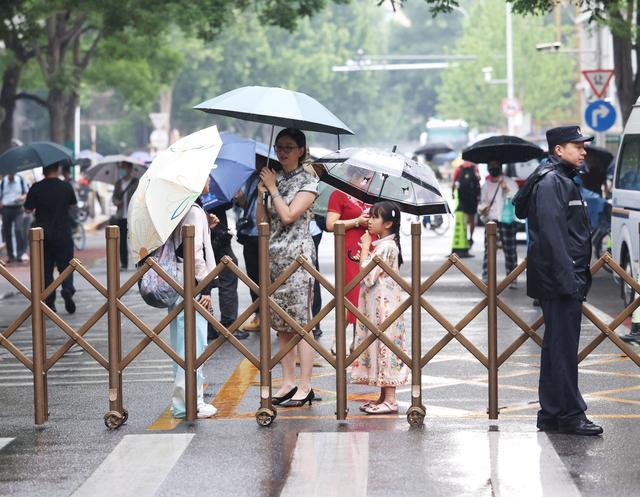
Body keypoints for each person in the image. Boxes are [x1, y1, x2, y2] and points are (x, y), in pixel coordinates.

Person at [524, 125, 602, 436]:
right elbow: (554, 237)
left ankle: (553, 413)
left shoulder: (562, 179)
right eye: (576, 145)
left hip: (563, 277)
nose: (583, 151)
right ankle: (570, 413)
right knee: (564, 349)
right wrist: (569, 278)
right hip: (560, 279)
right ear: (559, 150)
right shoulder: (552, 182)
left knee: (557, 347)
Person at [256, 128, 318, 408]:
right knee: (281, 324)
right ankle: (288, 381)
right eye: (280, 147)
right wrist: (261, 195)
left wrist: (272, 190)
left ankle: (306, 384)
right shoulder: (274, 178)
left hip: (298, 257)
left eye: (289, 147)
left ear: (301, 150)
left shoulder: (308, 181)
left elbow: (290, 216)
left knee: (301, 323)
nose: (282, 152)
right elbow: (263, 222)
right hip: (274, 257)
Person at [351, 201, 409, 414]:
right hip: (377, 305)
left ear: (388, 223)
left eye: (375, 217)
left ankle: (391, 399)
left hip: (384, 308)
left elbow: (367, 277)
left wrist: (365, 247)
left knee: (385, 347)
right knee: (378, 346)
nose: (370, 221)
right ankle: (383, 396)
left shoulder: (385, 247)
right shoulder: (384, 246)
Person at [169, 176, 218, 419]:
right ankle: (190, 403)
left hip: (176, 284)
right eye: (207, 175)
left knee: (181, 346)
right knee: (193, 346)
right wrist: (206, 286)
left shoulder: (180, 208)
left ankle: (183, 402)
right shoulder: (194, 211)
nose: (210, 180)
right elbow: (195, 253)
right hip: (191, 286)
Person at [24, 161, 77, 314]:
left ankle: (50, 302)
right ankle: (67, 289)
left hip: (42, 236)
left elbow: (28, 209)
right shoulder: (66, 186)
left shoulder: (36, 187)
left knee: (46, 270)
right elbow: (72, 205)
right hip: (63, 233)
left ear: (44, 170)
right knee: (66, 267)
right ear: (58, 168)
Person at [326, 188, 371, 354]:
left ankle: (357, 339)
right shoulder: (339, 193)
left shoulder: (376, 192)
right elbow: (331, 224)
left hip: (372, 244)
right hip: (350, 248)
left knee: (366, 293)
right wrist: (358, 221)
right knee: (351, 293)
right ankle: (338, 339)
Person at [205, 200, 248, 341]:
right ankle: (228, 324)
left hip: (206, 238)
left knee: (203, 281)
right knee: (226, 276)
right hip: (217, 236)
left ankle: (206, 326)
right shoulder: (211, 190)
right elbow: (226, 203)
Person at [478, 161, 519, 287]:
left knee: (510, 250)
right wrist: (482, 208)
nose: (493, 168)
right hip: (491, 221)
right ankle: (486, 276)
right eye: (490, 167)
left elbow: (517, 198)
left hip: (506, 221)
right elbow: (482, 202)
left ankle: (512, 278)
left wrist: (506, 188)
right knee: (489, 250)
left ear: (500, 167)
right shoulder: (485, 185)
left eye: (495, 166)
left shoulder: (509, 182)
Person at [112, 162, 139, 270]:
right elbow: (114, 197)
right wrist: (117, 202)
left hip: (133, 216)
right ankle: (124, 264)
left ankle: (139, 262)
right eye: (121, 168)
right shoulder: (118, 183)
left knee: (136, 240)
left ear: (130, 169)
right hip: (121, 216)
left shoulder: (136, 182)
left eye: (125, 168)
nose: (123, 170)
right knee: (122, 240)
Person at [0, 172, 29, 263]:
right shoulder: (3, 182)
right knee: (7, 232)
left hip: (18, 209)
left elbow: (26, 193)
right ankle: (11, 255)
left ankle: (20, 254)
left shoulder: (20, 179)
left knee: (18, 229)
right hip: (6, 209)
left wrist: (21, 198)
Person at [452, 160, 480, 246]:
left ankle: (464, 236)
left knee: (464, 218)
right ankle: (471, 237)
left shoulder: (459, 169)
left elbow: (454, 182)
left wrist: (452, 193)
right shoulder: (475, 168)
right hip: (473, 197)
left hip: (462, 197)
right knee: (472, 219)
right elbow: (479, 179)